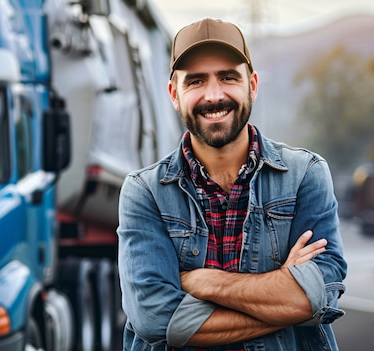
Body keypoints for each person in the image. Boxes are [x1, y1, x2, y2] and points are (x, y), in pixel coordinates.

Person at [117, 18, 347, 350]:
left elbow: (318, 296)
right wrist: (283, 293)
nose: (214, 95)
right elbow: (154, 317)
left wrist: (205, 283)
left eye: (228, 77)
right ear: (174, 94)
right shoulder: (145, 191)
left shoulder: (305, 175)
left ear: (252, 85)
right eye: (196, 81)